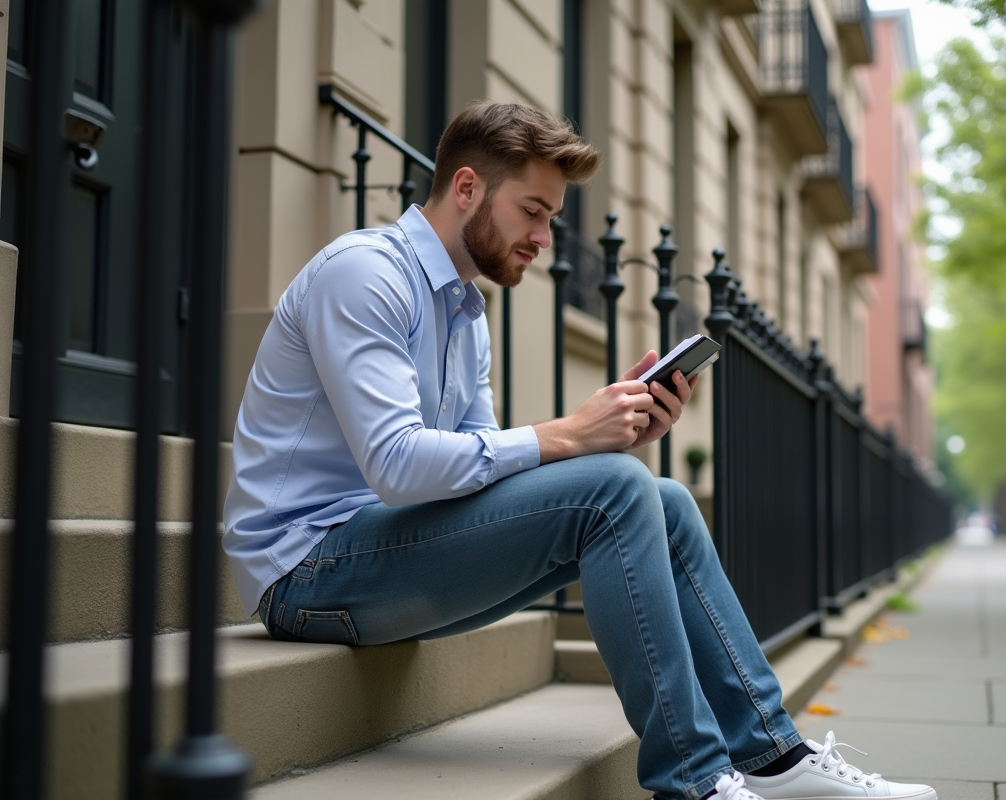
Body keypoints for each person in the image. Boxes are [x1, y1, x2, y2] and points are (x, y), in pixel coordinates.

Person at [223, 101, 938, 800]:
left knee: (662, 498)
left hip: (386, 552)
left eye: (552, 219)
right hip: (306, 572)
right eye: (532, 211)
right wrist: (572, 434)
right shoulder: (364, 274)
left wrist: (609, 431)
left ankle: (773, 754)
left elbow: (475, 468)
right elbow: (400, 465)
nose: (544, 237)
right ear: (467, 187)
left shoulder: (466, 314)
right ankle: (693, 784)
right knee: (619, 489)